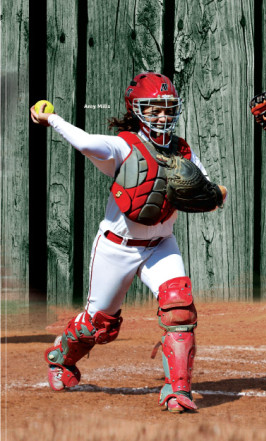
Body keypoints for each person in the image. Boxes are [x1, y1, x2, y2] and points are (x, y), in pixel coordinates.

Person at [30, 71, 227, 413]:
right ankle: (61, 357)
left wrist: (214, 193)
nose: (162, 116)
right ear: (137, 110)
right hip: (116, 246)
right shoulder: (123, 145)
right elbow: (88, 143)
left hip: (160, 245)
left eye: (167, 107)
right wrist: (53, 119)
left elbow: (212, 189)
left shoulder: (182, 150)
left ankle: (177, 390)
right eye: (153, 109)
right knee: (99, 327)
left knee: (179, 306)